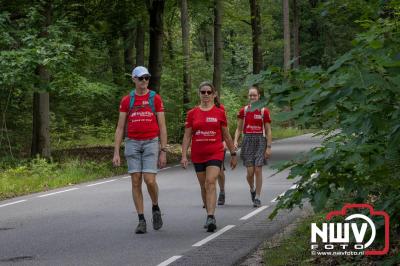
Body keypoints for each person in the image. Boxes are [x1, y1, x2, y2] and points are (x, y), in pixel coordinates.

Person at [113, 66, 167, 234]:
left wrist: (163, 150)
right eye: (141, 78)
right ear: (134, 79)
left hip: (151, 142)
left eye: (147, 78)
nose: (144, 81)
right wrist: (116, 151)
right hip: (132, 143)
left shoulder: (155, 98)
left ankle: (155, 207)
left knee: (149, 180)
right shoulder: (126, 100)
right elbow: (120, 127)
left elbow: (162, 126)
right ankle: (141, 219)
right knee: (136, 180)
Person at [181, 81, 238, 232]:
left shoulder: (219, 113)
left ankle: (211, 216)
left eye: (208, 92)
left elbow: (226, 135)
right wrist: (184, 156)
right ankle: (208, 213)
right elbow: (187, 137)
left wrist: (233, 153)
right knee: (203, 186)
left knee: (210, 181)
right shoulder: (192, 114)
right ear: (199, 94)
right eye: (203, 92)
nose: (206, 94)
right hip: (198, 154)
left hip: (215, 152)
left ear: (213, 95)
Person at [234, 85, 272, 208]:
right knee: (250, 172)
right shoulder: (243, 111)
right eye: (250, 95)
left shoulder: (263, 111)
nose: (252, 97)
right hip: (247, 140)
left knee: (258, 169)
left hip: (260, 140)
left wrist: (269, 147)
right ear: (248, 96)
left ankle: (258, 197)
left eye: (254, 95)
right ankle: (252, 189)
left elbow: (268, 130)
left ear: (259, 96)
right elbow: (239, 128)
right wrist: (235, 141)